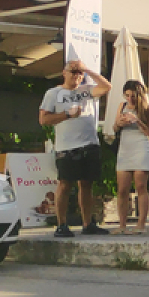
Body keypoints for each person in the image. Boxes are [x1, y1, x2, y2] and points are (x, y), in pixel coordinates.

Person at [39, 58, 112, 237]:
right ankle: (62, 224)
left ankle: (88, 223)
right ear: (64, 73)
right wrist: (66, 115)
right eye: (74, 71)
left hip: (89, 143)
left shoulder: (86, 90)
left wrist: (87, 69)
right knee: (65, 184)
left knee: (87, 184)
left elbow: (106, 87)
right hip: (67, 146)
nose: (77, 75)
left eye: (80, 72)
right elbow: (44, 120)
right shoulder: (54, 93)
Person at [113, 80, 149, 235]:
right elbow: (114, 128)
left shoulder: (148, 109)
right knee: (122, 189)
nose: (129, 99)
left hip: (141, 148)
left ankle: (141, 225)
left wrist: (137, 121)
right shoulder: (122, 106)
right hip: (125, 149)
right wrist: (120, 123)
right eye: (127, 95)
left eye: (133, 96)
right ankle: (122, 225)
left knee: (141, 187)